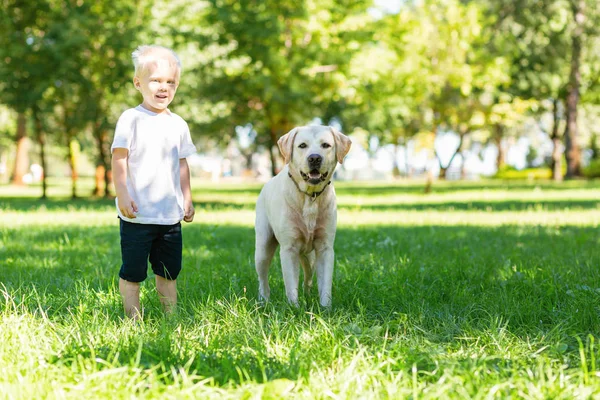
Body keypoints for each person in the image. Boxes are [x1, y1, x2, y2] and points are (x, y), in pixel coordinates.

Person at [111, 45, 197, 320]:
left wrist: (187, 198)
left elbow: (182, 164)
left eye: (170, 82)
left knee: (168, 271)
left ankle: (170, 317)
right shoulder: (131, 119)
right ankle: (133, 319)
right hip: (137, 215)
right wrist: (122, 194)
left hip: (169, 217)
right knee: (133, 272)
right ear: (139, 83)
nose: (164, 87)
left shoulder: (178, 124)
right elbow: (119, 159)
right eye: (156, 80)